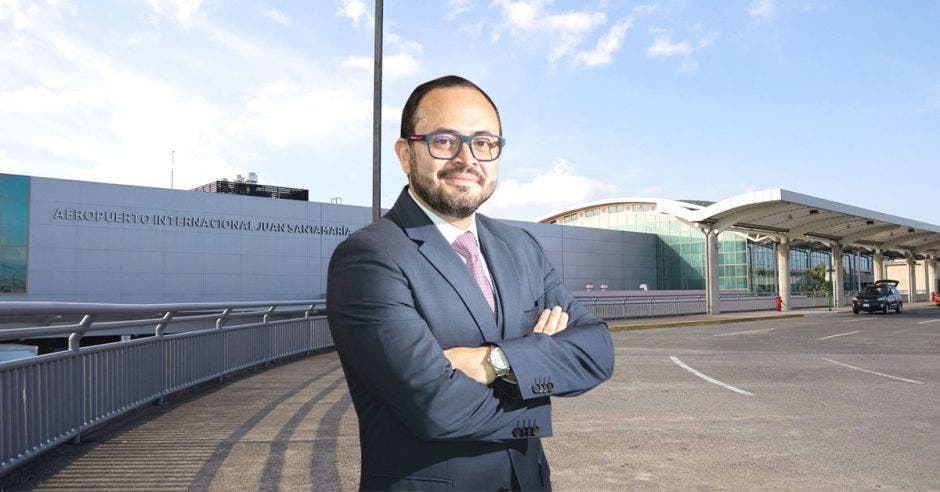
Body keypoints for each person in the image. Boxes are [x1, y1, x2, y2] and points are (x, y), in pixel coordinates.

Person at [327, 75, 614, 491]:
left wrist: (494, 362)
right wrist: (539, 373)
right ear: (406, 154)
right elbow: (434, 405)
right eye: (444, 141)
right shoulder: (369, 257)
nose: (467, 159)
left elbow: (598, 350)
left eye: (484, 142)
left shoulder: (520, 246)